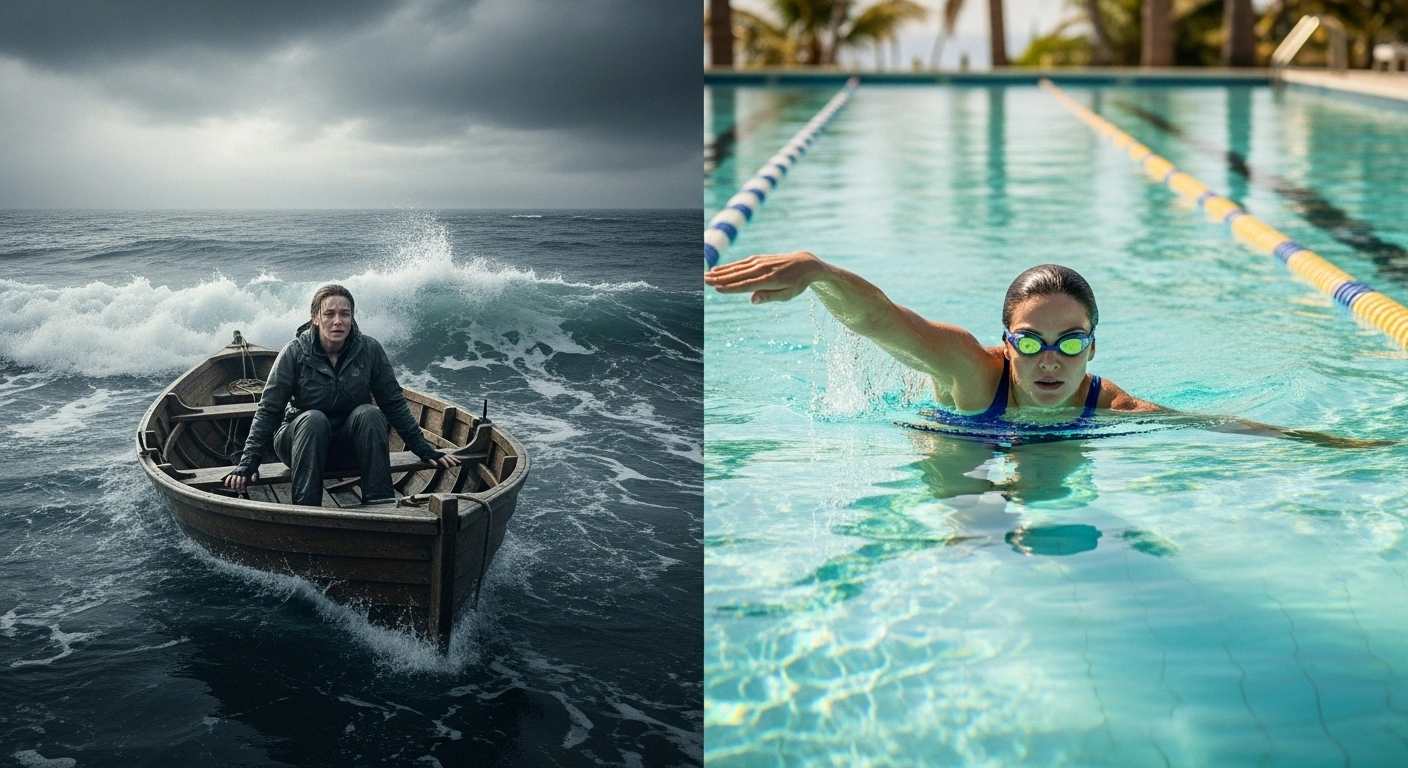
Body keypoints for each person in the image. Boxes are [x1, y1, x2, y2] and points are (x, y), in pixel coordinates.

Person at [705, 252, 1391, 448]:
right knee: (966, 519)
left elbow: (1208, 425)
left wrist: (1321, 443)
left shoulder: (1109, 403)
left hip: (1051, 451)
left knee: (1052, 515)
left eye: (1071, 343)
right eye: (1030, 342)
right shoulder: (971, 373)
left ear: (1092, 347)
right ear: (1008, 342)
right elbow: (882, 321)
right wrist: (820, 272)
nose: (1050, 361)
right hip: (958, 439)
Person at [223, 284, 461, 505]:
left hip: (349, 448)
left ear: (352, 317)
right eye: (329, 314)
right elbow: (268, 410)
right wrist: (249, 462)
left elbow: (394, 403)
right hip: (299, 445)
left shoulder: (370, 350)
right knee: (313, 418)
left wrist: (423, 448)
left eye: (345, 314)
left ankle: (381, 506)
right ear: (315, 318)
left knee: (370, 414)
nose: (338, 321)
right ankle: (306, 510)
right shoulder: (294, 353)